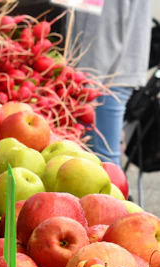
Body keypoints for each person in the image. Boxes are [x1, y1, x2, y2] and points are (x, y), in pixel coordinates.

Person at [71, 0, 152, 165]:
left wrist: (88, 82)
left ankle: (115, 191)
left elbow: (104, 28)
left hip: (104, 76)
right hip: (108, 72)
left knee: (103, 158)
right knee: (98, 157)